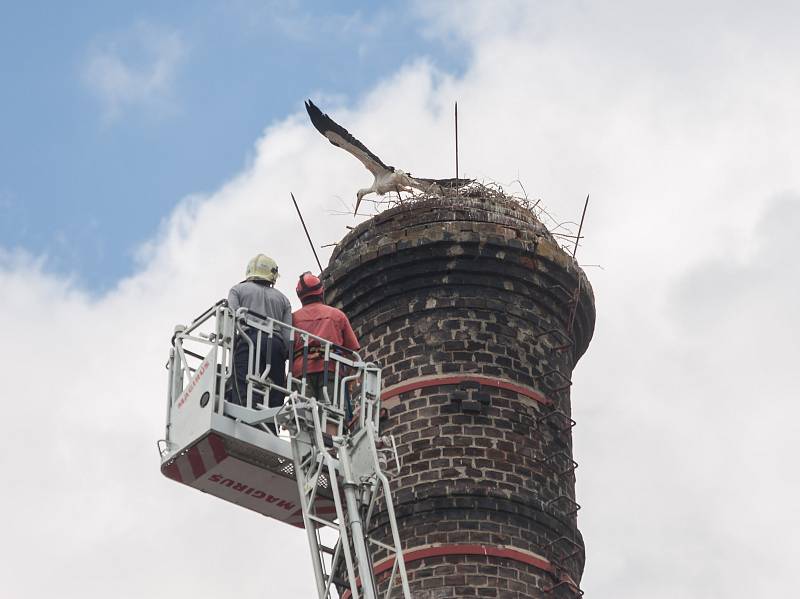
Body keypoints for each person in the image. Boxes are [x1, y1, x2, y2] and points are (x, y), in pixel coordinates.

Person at [228, 254, 292, 412]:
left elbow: (231, 319)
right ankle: (271, 420)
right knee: (275, 392)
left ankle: (244, 416)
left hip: (248, 340)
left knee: (242, 384)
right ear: (273, 275)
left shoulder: (237, 290)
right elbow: (287, 335)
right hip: (275, 345)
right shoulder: (283, 300)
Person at [291, 271, 360, 408]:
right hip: (330, 369)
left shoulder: (293, 319)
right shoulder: (337, 315)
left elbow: (286, 349)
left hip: (300, 372)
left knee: (303, 418)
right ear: (321, 292)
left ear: (300, 296)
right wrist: (347, 378)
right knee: (331, 415)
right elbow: (353, 352)